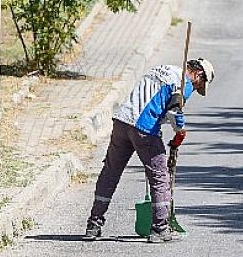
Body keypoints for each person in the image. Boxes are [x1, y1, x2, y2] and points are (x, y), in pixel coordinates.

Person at [83, 58, 215, 243]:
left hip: (122, 121)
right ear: (199, 74)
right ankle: (160, 228)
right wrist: (181, 131)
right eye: (199, 85)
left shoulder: (162, 69)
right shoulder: (183, 83)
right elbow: (174, 112)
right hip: (144, 128)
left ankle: (93, 224)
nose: (195, 89)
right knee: (160, 177)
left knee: (110, 173)